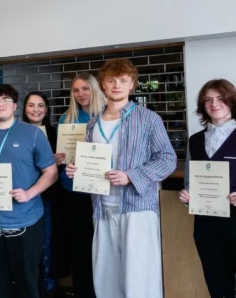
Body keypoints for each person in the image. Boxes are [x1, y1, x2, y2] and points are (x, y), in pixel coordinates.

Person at [66, 59, 176, 298]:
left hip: (136, 208)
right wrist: (78, 170)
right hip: (101, 208)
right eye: (111, 80)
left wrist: (131, 176)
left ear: (132, 85)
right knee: (106, 276)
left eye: (123, 81)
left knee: (139, 278)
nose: (117, 85)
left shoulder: (148, 119)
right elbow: (92, 161)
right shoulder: (93, 124)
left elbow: (168, 159)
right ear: (103, 86)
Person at [0, 84, 58, 298]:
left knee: (26, 284)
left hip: (24, 221)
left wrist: (29, 194)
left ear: (14, 106)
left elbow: (51, 172)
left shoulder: (33, 134)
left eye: (6, 100)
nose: (1, 104)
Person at [179, 79, 236, 298]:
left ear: (232, 102)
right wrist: (187, 197)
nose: (214, 104)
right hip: (206, 225)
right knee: (217, 285)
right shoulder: (195, 141)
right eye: (208, 100)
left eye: (221, 99)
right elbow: (190, 182)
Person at [57, 72, 105, 298]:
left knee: (103, 246)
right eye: (76, 90)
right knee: (80, 248)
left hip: (102, 191)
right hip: (74, 192)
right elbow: (60, 159)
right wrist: (58, 158)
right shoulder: (66, 119)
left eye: (85, 88)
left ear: (94, 89)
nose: (81, 94)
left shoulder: (109, 116)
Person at [22, 91, 65, 296]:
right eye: (31, 105)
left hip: (47, 196)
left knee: (46, 241)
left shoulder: (57, 134)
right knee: (27, 243)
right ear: (24, 109)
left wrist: (61, 161)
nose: (36, 109)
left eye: (40, 105)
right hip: (21, 197)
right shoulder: (15, 132)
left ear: (46, 110)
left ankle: (47, 284)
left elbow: (65, 168)